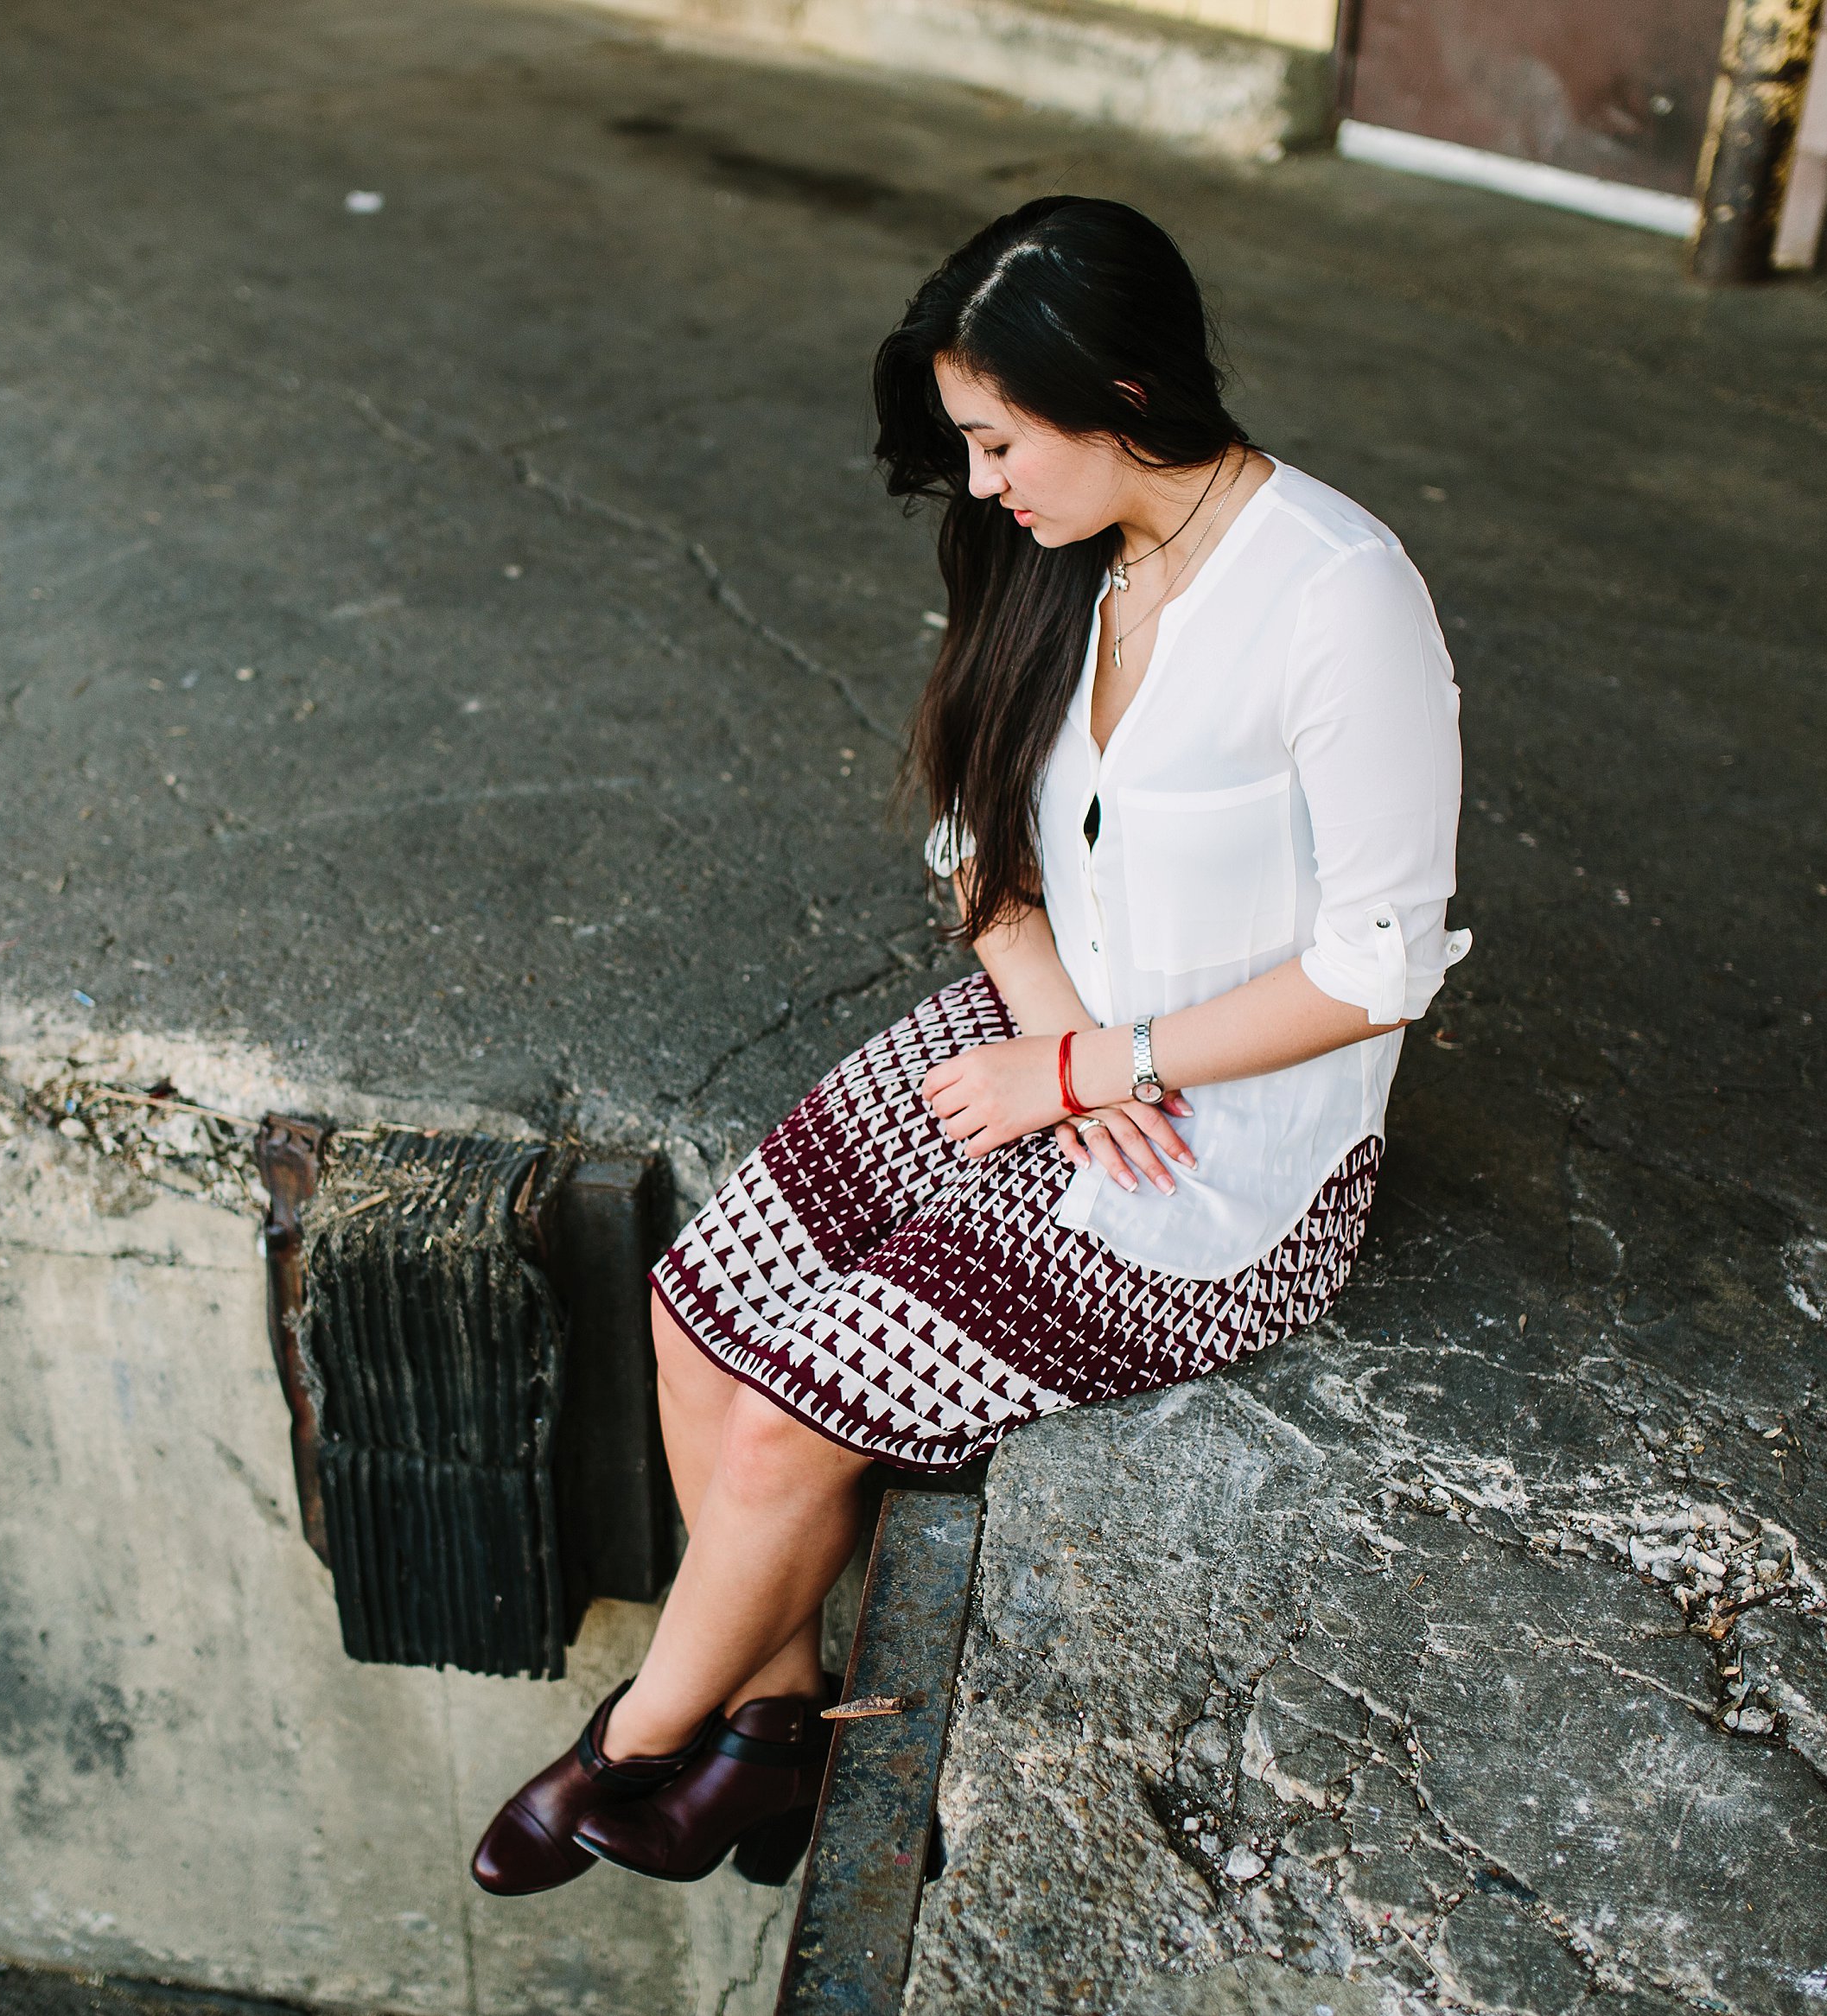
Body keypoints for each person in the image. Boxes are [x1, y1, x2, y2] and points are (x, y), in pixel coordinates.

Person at [470, 194, 1472, 1896]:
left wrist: (1092, 1079)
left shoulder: (1334, 593)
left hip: (1229, 1155)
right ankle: (772, 1732)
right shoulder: (1057, 554)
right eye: (968, 445)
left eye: (1002, 439)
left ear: (1126, 393)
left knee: (793, 1422)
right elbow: (982, 849)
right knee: (698, 1312)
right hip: (1043, 1020)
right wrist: (1058, 1024)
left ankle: (634, 1746)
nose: (984, 480)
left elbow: (1378, 970)